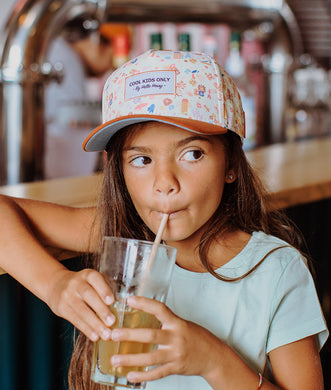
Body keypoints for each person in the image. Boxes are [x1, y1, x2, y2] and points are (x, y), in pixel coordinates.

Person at [0, 50, 328, 390]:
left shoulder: (276, 271)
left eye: (192, 154)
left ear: (231, 163)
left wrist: (213, 360)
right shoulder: (119, 233)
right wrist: (55, 284)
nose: (165, 182)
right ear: (119, 171)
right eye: (141, 159)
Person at [45, 16, 114, 179]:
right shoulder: (67, 58)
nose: (109, 66)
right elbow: (72, 116)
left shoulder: (56, 49)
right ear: (95, 42)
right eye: (109, 57)